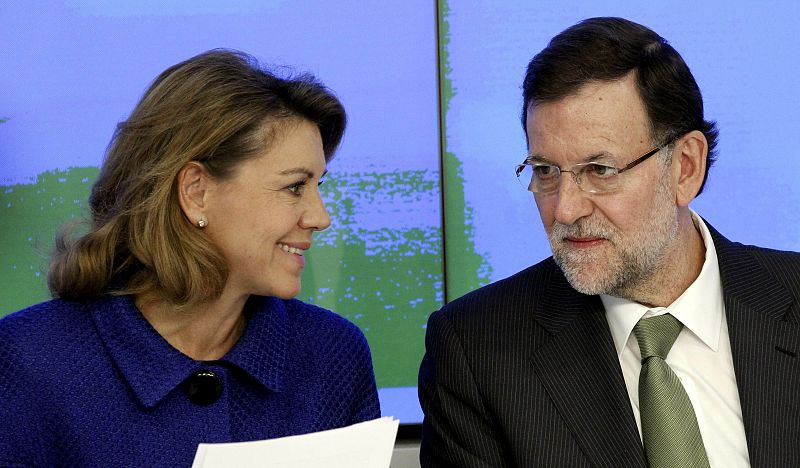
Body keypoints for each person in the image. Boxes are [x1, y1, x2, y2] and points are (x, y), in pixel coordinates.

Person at [419, 17, 800, 468]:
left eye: (600, 170)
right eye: (545, 171)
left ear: (685, 168)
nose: (565, 210)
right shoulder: (477, 352)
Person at [0, 50, 380, 466]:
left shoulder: (333, 356)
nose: (320, 218)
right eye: (294, 187)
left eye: (317, 186)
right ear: (196, 191)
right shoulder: (28, 361)